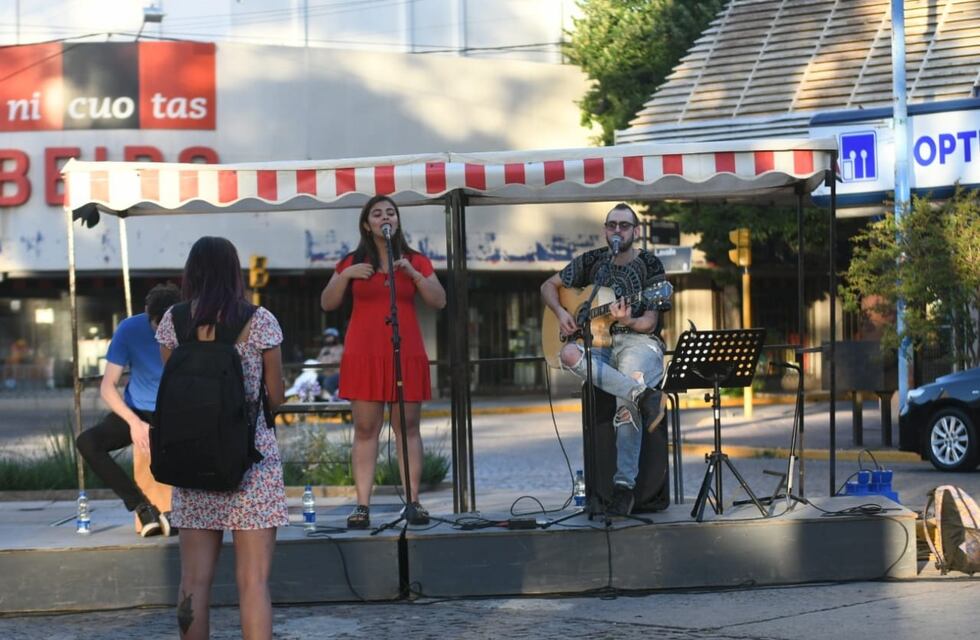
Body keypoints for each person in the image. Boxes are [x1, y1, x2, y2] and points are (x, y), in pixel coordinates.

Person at [155, 236, 286, 640]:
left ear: (191, 272)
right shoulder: (259, 320)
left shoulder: (172, 322)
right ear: (234, 272)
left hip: (192, 462)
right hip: (252, 463)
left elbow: (173, 390)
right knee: (253, 583)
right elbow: (275, 397)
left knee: (193, 582)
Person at [320, 195, 446, 529]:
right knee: (365, 429)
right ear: (366, 224)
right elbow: (327, 303)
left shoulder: (415, 260)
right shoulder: (352, 261)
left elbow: (439, 301)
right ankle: (362, 505)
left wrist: (414, 275)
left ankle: (414, 501)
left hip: (405, 350)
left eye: (390, 212)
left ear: (397, 221)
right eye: (377, 213)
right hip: (363, 351)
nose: (384, 217)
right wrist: (345, 275)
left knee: (407, 427)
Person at [540, 203, 670, 517]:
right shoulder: (594, 260)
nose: (617, 230)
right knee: (568, 353)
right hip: (600, 342)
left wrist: (627, 320)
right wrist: (561, 313)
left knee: (628, 377)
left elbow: (649, 322)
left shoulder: (651, 265)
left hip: (639, 341)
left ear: (635, 231)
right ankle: (645, 396)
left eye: (624, 226)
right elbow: (548, 286)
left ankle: (623, 488)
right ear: (605, 229)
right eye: (612, 225)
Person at [75, 284, 182, 537]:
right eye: (157, 325)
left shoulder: (189, 328)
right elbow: (107, 386)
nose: (162, 332)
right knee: (88, 442)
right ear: (147, 314)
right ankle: (141, 507)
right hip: (138, 411)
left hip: (175, 413)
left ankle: (175, 512)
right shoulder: (129, 328)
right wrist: (134, 423)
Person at [316, 327, 344, 398]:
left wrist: (324, 361)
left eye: (330, 336)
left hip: (337, 374)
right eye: (326, 337)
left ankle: (336, 398)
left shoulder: (340, 348)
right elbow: (318, 361)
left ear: (335, 337)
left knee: (327, 382)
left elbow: (336, 361)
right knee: (314, 380)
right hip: (325, 373)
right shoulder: (324, 349)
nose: (327, 338)